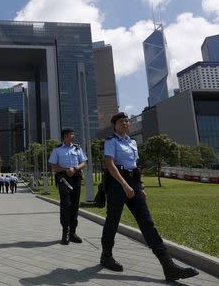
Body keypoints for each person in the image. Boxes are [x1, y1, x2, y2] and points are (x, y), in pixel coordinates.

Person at [100, 112, 198, 282]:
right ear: (114, 125)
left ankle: (168, 266)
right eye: (121, 122)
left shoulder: (132, 142)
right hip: (117, 184)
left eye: (127, 121)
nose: (125, 124)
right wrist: (124, 185)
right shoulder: (111, 141)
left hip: (134, 182)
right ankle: (106, 256)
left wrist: (141, 185)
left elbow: (136, 165)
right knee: (112, 220)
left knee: (147, 223)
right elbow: (110, 164)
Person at [48, 128, 87, 245]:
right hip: (63, 179)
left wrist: (75, 169)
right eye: (71, 134)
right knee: (66, 205)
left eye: (73, 134)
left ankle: (73, 233)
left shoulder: (77, 148)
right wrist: (66, 169)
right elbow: (53, 166)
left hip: (76, 178)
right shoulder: (57, 149)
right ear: (65, 136)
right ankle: (65, 233)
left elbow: (84, 162)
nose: (73, 136)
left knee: (75, 205)